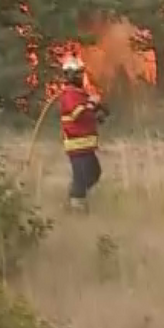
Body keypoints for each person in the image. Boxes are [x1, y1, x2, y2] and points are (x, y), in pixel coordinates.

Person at [58, 56, 108, 212]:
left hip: (86, 146)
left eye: (81, 73)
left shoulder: (79, 94)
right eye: (78, 74)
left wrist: (97, 112)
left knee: (94, 173)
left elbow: (86, 112)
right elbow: (76, 113)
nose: (81, 77)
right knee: (81, 179)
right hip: (77, 145)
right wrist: (91, 103)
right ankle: (75, 209)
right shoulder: (69, 94)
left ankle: (75, 197)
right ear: (70, 75)